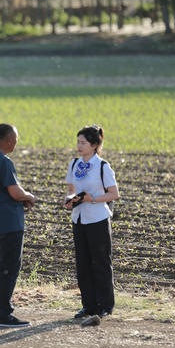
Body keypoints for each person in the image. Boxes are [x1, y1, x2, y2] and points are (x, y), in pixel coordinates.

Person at [0, 123, 36, 328]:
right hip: (9, 223)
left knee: (1, 268)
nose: (16, 143)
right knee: (10, 268)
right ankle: (4, 314)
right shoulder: (3, 161)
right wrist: (29, 196)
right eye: (16, 139)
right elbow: (15, 191)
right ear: (9, 139)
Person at [64, 124, 120, 319]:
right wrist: (70, 199)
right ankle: (88, 305)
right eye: (78, 142)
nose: (79, 146)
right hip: (79, 218)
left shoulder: (103, 166)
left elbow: (114, 194)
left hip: (98, 218)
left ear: (94, 145)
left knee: (101, 263)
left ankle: (105, 305)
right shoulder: (74, 164)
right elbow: (71, 189)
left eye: (83, 142)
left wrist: (92, 199)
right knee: (83, 263)